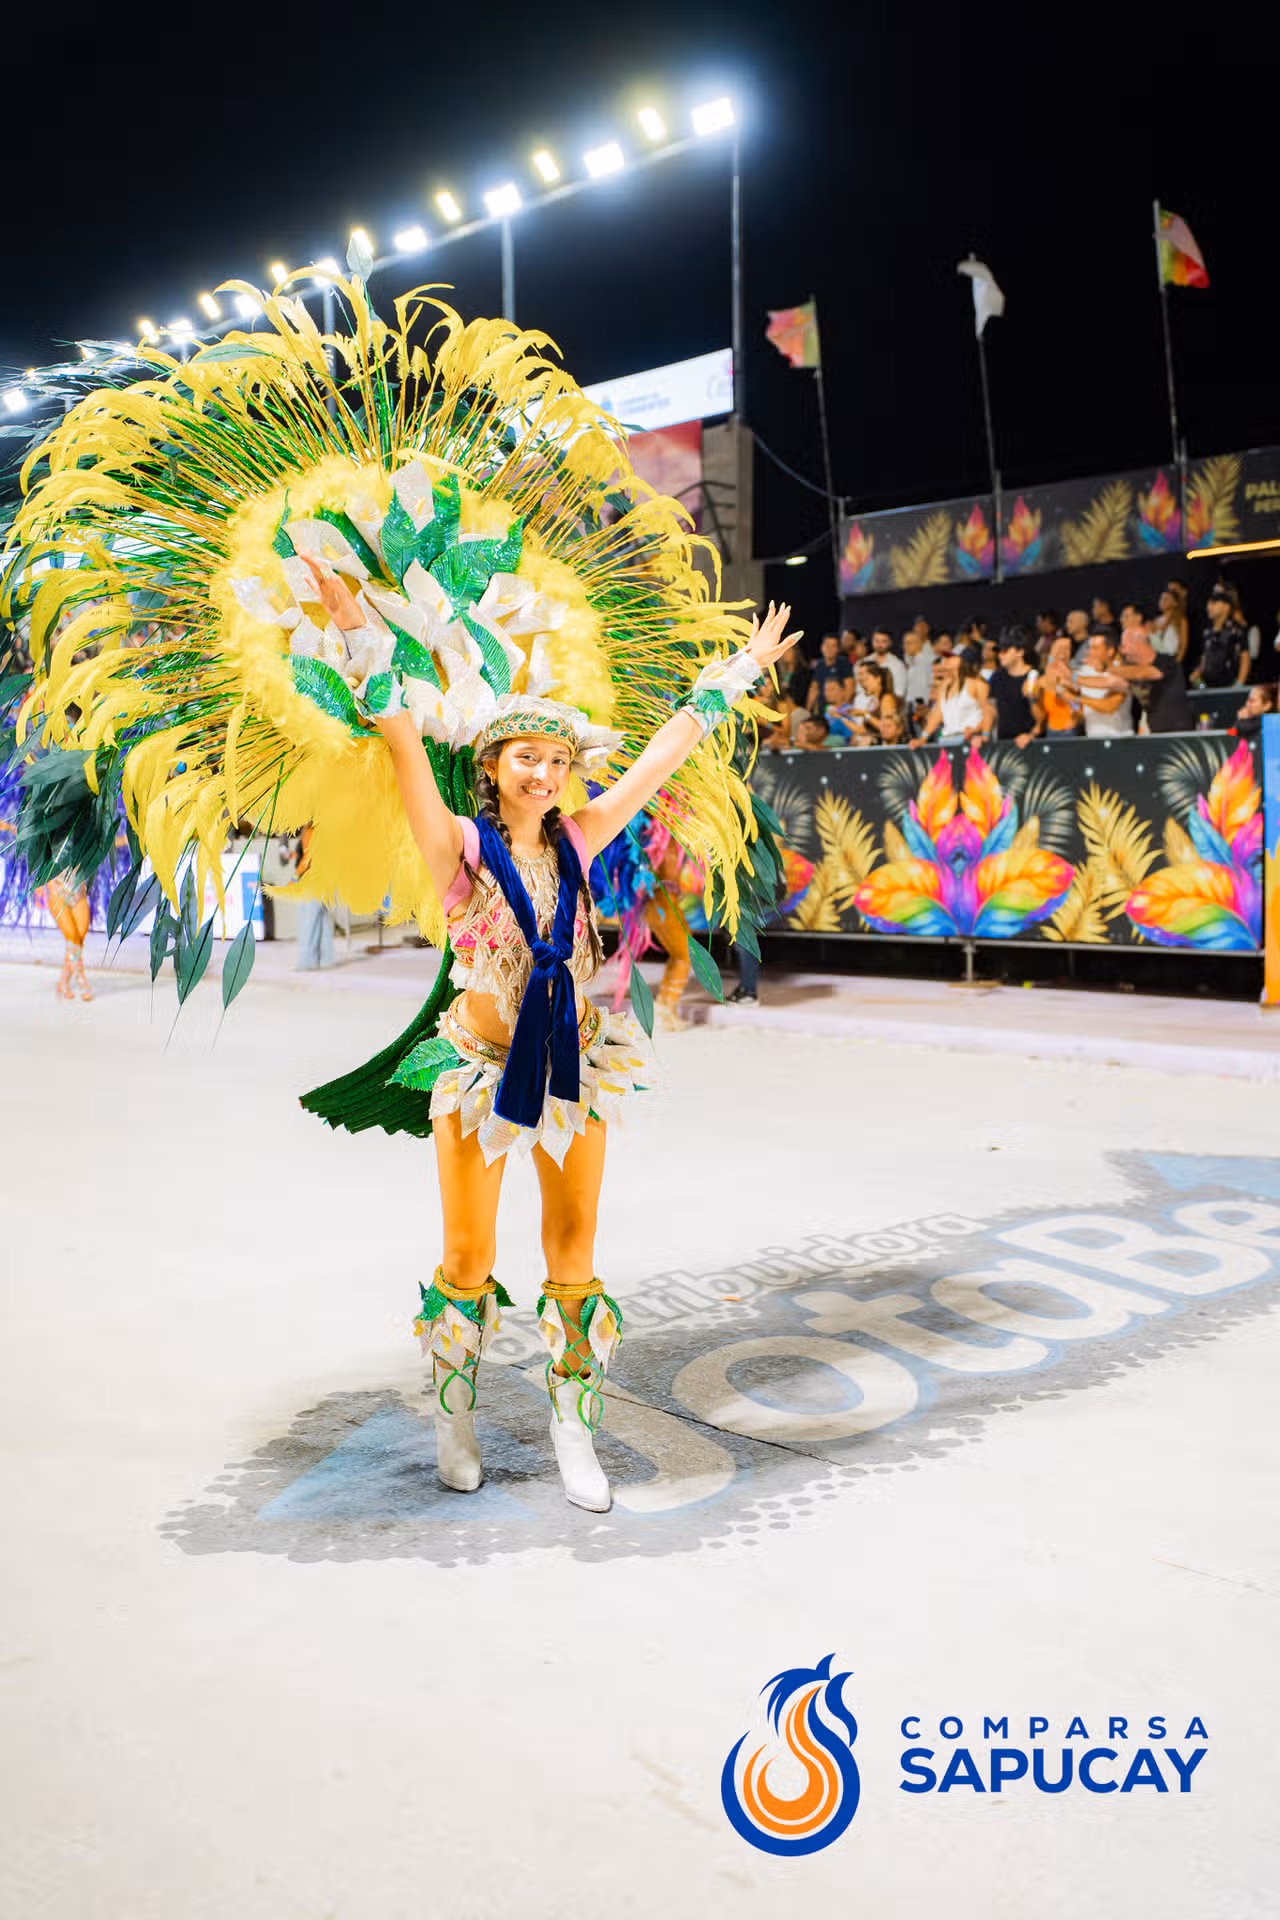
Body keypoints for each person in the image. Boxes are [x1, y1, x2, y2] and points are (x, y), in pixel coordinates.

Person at [16, 279, 802, 1520]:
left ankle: (571, 1431)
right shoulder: (458, 854)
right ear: (489, 767)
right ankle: (453, 1424)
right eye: (519, 754)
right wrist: (351, 622)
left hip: (580, 1073)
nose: (541, 767)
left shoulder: (588, 834)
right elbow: (393, 727)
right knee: (467, 1259)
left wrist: (725, 679)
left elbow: (656, 756)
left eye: (554, 753)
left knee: (576, 1260)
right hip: (478, 1071)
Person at [1110, 630, 1194, 733]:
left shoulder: (1166, 661)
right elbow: (1112, 683)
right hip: (1155, 732)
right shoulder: (1131, 669)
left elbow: (1148, 673)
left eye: (1124, 646)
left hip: (1178, 732)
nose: (1122, 651)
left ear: (1136, 644)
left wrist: (1107, 668)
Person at [912, 652, 993, 747]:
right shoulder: (944, 685)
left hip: (970, 740)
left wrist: (983, 734)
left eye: (951, 657)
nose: (946, 659)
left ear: (961, 660)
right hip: (947, 739)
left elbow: (988, 712)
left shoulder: (978, 684)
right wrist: (923, 738)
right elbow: (937, 714)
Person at [987, 628, 1043, 745]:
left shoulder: (1035, 677)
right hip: (1004, 742)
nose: (1000, 655)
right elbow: (991, 709)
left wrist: (1031, 735)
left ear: (1020, 652)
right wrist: (985, 734)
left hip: (1031, 744)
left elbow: (1043, 719)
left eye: (1005, 651)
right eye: (999, 651)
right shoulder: (998, 676)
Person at [1075, 634, 1134, 738]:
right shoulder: (1084, 672)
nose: (1090, 652)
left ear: (1110, 651)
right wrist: (1073, 705)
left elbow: (1109, 706)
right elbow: (1073, 703)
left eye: (1095, 648)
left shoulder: (1122, 673)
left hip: (1120, 738)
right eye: (1090, 647)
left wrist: (1077, 698)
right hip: (1092, 738)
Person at [1193, 587, 1249, 687]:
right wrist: (1198, 673)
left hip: (1229, 685)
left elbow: (1245, 658)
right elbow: (1205, 657)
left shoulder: (1236, 630)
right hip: (1207, 686)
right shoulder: (1207, 632)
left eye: (1214, 603)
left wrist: (1239, 683)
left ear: (1226, 607)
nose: (1209, 607)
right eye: (1208, 603)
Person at [1037, 634, 1081, 735]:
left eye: (1067, 649)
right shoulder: (1041, 679)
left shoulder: (1076, 676)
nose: (1063, 652)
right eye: (1060, 648)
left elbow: (1078, 705)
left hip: (1070, 729)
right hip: (1050, 729)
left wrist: (1075, 716)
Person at [806, 633, 855, 709]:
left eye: (833, 646)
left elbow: (850, 688)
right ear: (822, 647)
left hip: (839, 711)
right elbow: (814, 689)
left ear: (838, 649)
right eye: (826, 645)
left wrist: (840, 710)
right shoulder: (819, 664)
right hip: (822, 709)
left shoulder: (844, 663)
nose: (829, 649)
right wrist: (808, 710)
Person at [1148, 583, 1189, 662]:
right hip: (1157, 659)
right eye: (1161, 599)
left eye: (1166, 599)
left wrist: (1177, 663)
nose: (1162, 602)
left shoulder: (1180, 620)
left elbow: (1183, 645)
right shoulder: (1156, 620)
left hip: (1171, 659)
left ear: (1175, 603)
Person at [901, 625, 935, 717]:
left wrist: (925, 708)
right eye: (904, 643)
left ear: (918, 644)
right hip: (911, 708)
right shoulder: (911, 663)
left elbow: (933, 685)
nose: (905, 647)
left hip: (923, 709)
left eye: (909, 643)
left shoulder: (929, 661)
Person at [867, 627, 906, 699]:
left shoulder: (897, 665)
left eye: (883, 641)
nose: (879, 645)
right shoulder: (864, 662)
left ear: (890, 643)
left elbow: (899, 692)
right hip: (863, 706)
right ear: (872, 641)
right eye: (877, 641)